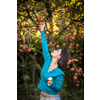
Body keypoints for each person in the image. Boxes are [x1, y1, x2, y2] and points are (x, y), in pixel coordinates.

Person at [37, 22, 68, 100]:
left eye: (57, 51)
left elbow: (58, 88)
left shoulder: (59, 72)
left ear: (59, 57)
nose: (54, 50)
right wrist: (42, 30)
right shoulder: (48, 60)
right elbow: (44, 46)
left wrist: (51, 84)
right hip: (42, 97)